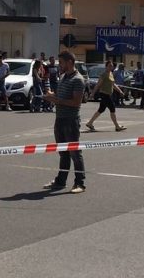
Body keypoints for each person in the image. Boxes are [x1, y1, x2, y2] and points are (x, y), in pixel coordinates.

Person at [42, 51, 86, 194]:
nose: (59, 65)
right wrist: (51, 95)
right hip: (59, 119)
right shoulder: (63, 77)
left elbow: (76, 102)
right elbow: (60, 96)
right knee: (63, 153)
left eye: (61, 62)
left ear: (69, 62)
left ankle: (80, 183)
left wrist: (57, 100)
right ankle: (61, 181)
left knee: (75, 153)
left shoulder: (78, 80)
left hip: (71, 121)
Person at [85, 60, 127, 132]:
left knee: (101, 110)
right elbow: (98, 85)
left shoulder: (111, 73)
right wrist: (92, 93)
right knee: (112, 108)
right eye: (109, 66)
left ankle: (90, 123)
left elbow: (113, 85)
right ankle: (117, 126)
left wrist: (120, 91)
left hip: (109, 94)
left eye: (112, 66)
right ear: (106, 66)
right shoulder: (103, 75)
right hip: (104, 94)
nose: (111, 67)